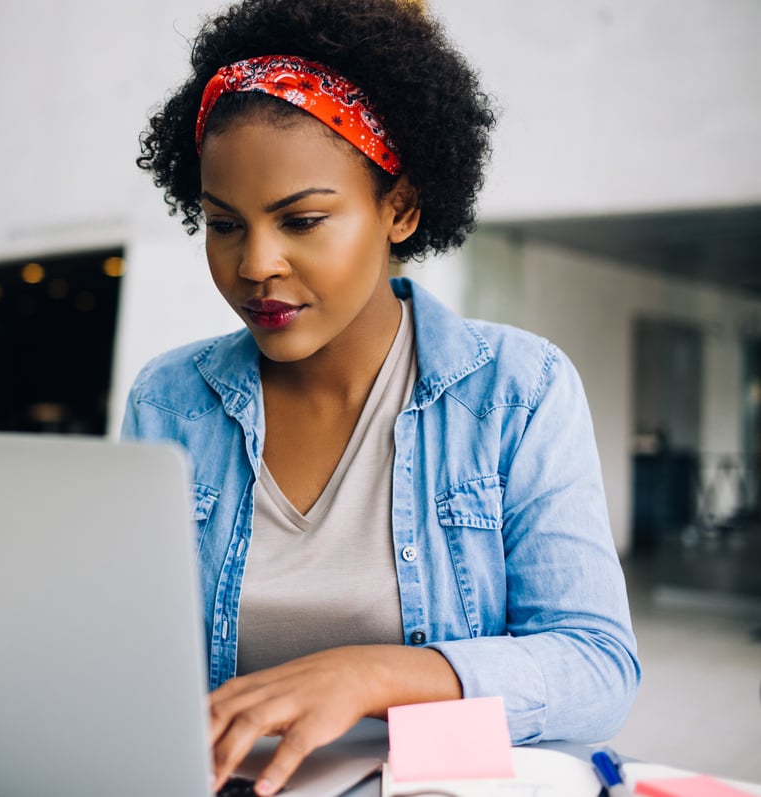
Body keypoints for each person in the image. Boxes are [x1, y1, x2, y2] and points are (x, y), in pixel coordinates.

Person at [121, 1, 640, 794]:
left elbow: (598, 667)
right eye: (224, 224)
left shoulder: (517, 391)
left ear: (398, 209)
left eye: (303, 220)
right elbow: (126, 653)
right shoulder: (170, 400)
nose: (256, 264)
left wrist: (375, 674)